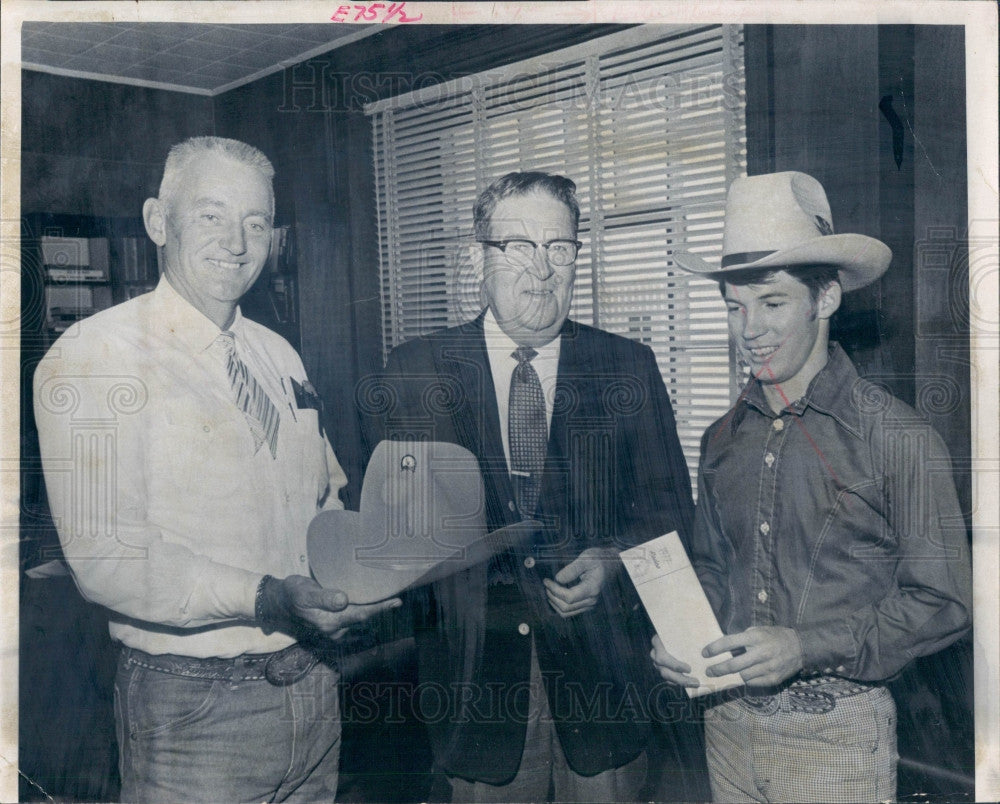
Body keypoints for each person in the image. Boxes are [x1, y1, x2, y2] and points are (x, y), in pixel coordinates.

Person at [33, 136, 399, 803]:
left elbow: (325, 494)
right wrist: (266, 596)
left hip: (314, 686)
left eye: (256, 222)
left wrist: (364, 567)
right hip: (193, 710)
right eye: (211, 215)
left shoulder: (280, 354)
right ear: (156, 221)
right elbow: (105, 555)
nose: (237, 240)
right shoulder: (91, 357)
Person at [363, 171, 697, 802]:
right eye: (517, 246)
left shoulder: (626, 366)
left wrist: (611, 562)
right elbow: (393, 549)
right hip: (475, 692)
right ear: (476, 259)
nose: (541, 270)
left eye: (560, 248)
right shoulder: (415, 371)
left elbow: (671, 515)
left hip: (604, 686)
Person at [652, 171, 973, 803]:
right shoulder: (720, 440)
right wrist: (679, 636)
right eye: (735, 307)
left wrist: (805, 647)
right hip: (726, 732)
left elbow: (944, 604)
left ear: (825, 298)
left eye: (772, 304)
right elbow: (716, 568)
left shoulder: (898, 438)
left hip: (840, 742)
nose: (751, 332)